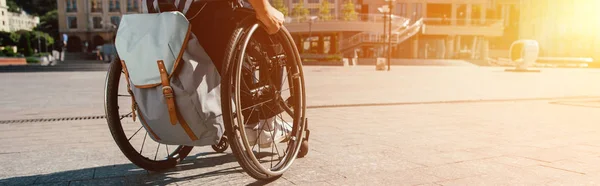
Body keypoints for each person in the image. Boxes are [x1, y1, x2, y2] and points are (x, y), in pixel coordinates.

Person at [141, 0, 290, 148]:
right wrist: (265, 10)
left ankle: (251, 122)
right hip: (206, 13)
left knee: (232, 45)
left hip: (159, 14)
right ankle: (267, 123)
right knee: (271, 30)